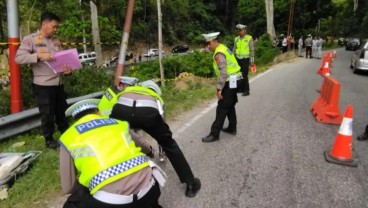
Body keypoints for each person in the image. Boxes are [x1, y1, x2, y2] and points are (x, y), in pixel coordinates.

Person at [59, 99, 166, 208]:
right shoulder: (119, 123)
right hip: (149, 190)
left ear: (75, 119)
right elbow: (143, 145)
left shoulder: (68, 137)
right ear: (98, 112)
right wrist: (151, 152)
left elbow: (68, 187)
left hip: (111, 202)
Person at [110, 80, 201, 197]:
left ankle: (116, 187)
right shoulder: (156, 97)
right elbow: (162, 123)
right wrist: (164, 143)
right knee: (169, 144)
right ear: (156, 90)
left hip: (121, 109)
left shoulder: (129, 90)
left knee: (118, 142)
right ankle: (191, 184)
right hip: (147, 113)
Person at [15, 12, 72, 149]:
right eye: (53, 26)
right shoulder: (31, 40)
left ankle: (67, 134)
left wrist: (68, 71)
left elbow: (62, 61)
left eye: (57, 27)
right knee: (47, 113)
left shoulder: (56, 41)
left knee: (61, 111)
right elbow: (18, 58)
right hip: (43, 85)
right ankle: (49, 139)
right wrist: (38, 56)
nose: (55, 30)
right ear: (44, 24)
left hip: (58, 83)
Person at [202, 32, 241, 143]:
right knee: (230, 105)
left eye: (209, 43)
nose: (208, 46)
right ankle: (232, 128)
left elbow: (223, 72)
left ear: (214, 41)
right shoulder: (223, 47)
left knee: (222, 108)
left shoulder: (218, 53)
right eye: (207, 44)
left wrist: (219, 88)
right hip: (235, 80)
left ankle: (214, 134)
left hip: (229, 81)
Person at [233, 24, 254, 96]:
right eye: (238, 30)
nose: (239, 32)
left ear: (245, 30)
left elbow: (251, 50)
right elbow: (234, 49)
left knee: (244, 75)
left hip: (245, 59)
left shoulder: (249, 38)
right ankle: (241, 89)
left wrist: (252, 61)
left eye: (241, 30)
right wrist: (232, 59)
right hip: (237, 59)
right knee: (239, 74)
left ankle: (246, 90)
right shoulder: (236, 39)